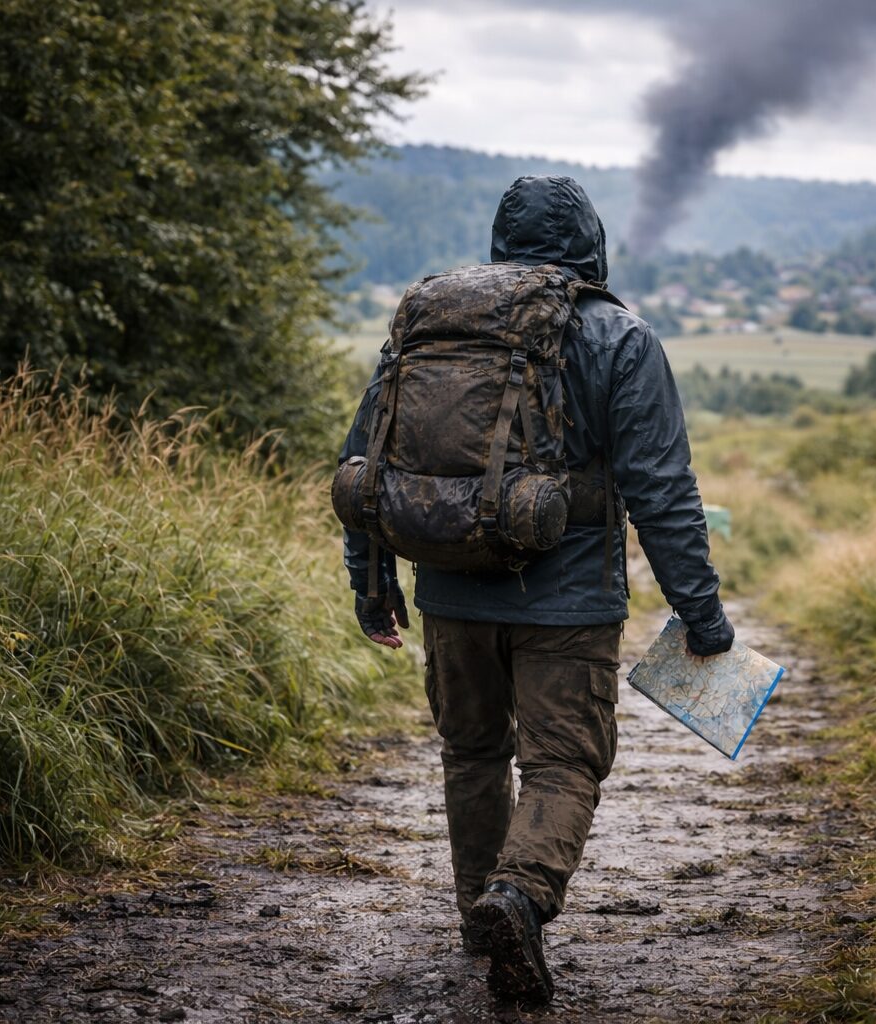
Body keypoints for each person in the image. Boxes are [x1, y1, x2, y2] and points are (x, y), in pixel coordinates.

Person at [338, 174, 733, 1005]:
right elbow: (663, 491)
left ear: (500, 245)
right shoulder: (621, 337)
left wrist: (372, 583)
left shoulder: (432, 328)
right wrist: (701, 616)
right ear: (591, 245)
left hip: (448, 591)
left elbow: (366, 463)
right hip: (568, 606)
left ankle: (480, 918)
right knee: (564, 759)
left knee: (472, 755)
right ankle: (516, 898)